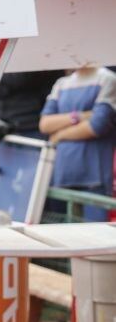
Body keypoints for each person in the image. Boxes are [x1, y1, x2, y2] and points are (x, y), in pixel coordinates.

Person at [39, 65, 116, 221]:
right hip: (61, 176)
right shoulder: (61, 83)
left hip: (94, 177)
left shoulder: (107, 79)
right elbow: (45, 124)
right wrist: (80, 116)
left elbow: (97, 125)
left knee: (94, 237)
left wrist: (59, 134)